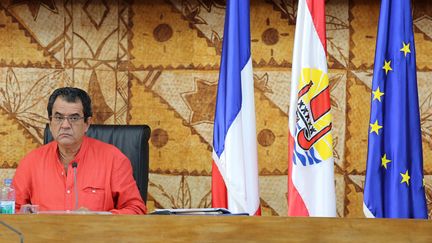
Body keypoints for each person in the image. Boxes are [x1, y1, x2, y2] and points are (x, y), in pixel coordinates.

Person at [12, 87, 146, 214]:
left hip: (94, 236)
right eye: (58, 118)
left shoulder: (114, 159)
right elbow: (10, 211)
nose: (65, 125)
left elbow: (136, 209)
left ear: (87, 123)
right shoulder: (31, 162)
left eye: (74, 118)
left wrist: (99, 218)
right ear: (50, 122)